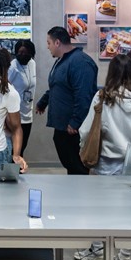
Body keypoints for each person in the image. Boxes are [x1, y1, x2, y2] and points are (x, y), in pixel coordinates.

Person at [74, 54, 131, 260]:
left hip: (106, 162)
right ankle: (124, 257)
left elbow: (87, 129)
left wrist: (83, 145)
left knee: (99, 209)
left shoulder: (103, 97)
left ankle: (98, 251)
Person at [34, 26, 98, 175]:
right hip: (62, 126)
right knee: (70, 164)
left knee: (77, 168)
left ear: (57, 43)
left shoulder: (80, 62)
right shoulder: (62, 61)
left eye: (49, 43)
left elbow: (84, 95)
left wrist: (75, 121)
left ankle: (78, 190)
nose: (47, 47)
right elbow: (57, 86)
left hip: (73, 129)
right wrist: (43, 102)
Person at [7, 39, 37, 156]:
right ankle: (12, 168)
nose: (22, 55)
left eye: (25, 52)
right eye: (20, 52)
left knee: (22, 147)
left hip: (28, 113)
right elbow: (4, 88)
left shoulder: (32, 64)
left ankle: (18, 167)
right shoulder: (13, 67)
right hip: (14, 114)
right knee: (14, 150)